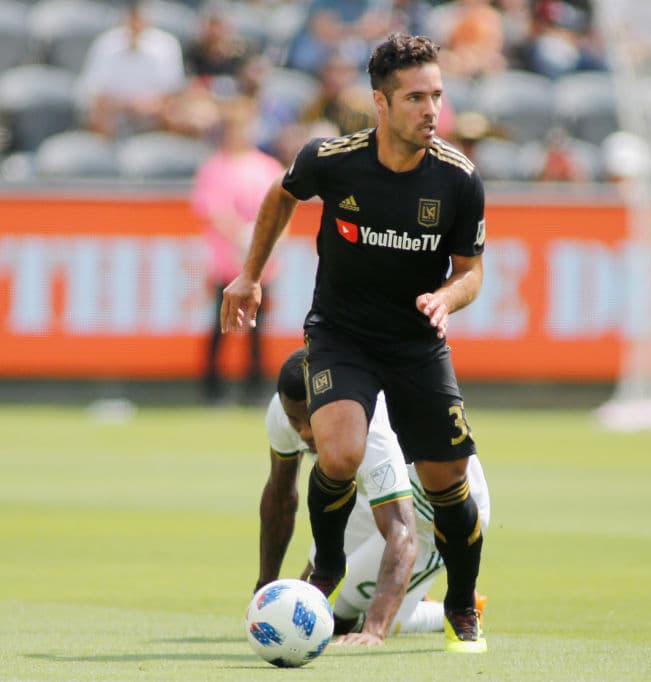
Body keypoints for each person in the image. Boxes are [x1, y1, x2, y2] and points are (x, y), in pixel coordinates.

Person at [220, 33, 489, 653]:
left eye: (438, 96)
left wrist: (445, 299)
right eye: (415, 97)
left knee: (450, 483)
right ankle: (329, 567)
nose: (431, 110)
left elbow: (471, 271)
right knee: (338, 455)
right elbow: (281, 195)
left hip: (417, 343)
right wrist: (250, 273)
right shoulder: (332, 159)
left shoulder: (458, 180)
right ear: (380, 103)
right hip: (341, 336)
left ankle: (460, 609)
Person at [257, 349, 491, 639]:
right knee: (310, 599)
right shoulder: (282, 411)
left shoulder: (369, 429)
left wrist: (374, 631)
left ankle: (442, 610)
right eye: (295, 421)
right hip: (375, 493)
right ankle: (409, 594)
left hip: (432, 517)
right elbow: (281, 498)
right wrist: (263, 589)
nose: (304, 432)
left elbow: (402, 530)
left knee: (339, 617)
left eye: (308, 419)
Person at [191, 97, 283, 403]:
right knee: (220, 327)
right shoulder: (215, 168)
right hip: (227, 263)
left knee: (258, 331)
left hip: (261, 265)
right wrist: (242, 239)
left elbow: (282, 212)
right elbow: (216, 213)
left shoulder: (268, 167)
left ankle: (254, 389)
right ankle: (211, 388)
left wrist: (267, 245)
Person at [75, 0, 186, 138]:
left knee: (175, 115)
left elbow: (173, 94)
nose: (136, 23)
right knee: (97, 115)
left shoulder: (166, 45)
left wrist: (146, 105)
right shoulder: (105, 44)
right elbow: (93, 92)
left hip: (152, 113)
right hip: (114, 111)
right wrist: (124, 105)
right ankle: (104, 155)